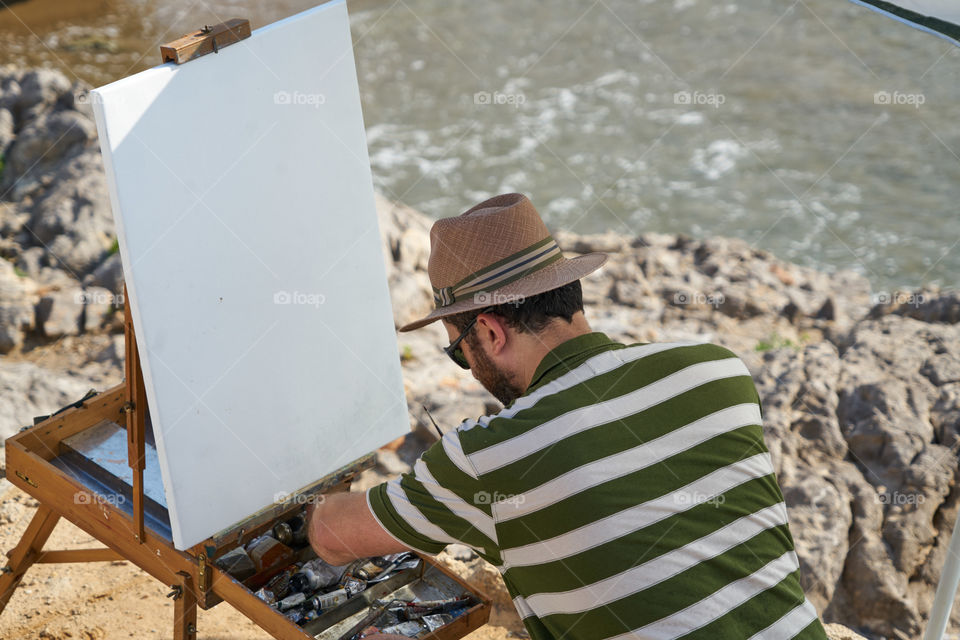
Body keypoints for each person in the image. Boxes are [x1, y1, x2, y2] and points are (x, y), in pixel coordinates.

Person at [307, 193, 828, 639]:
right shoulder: (718, 372)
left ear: (490, 333)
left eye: (458, 351)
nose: (468, 370)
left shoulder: (490, 456)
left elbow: (332, 537)